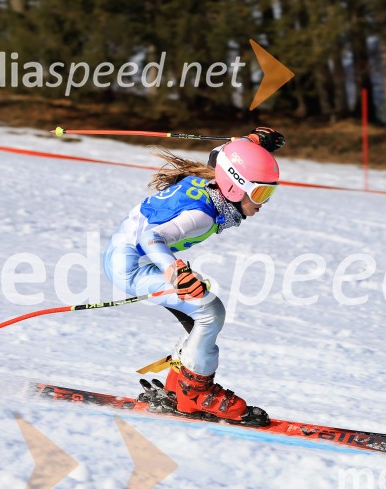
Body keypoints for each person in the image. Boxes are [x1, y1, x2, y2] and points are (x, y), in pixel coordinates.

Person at [103, 129, 283, 425]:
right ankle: (195, 393)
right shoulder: (202, 215)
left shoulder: (215, 182)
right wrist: (173, 272)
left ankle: (180, 385)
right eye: (261, 192)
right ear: (236, 188)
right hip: (131, 267)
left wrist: (249, 146)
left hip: (131, 257)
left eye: (270, 192)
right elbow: (151, 237)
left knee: (200, 308)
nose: (264, 202)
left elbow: (222, 157)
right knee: (211, 312)